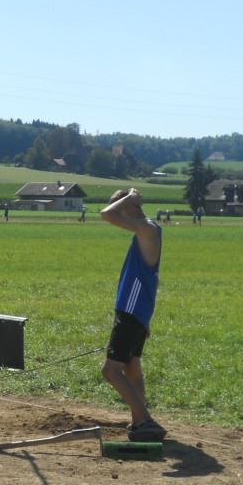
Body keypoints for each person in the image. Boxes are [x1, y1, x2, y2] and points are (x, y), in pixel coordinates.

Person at [99, 188, 166, 442]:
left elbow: (107, 214)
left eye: (123, 208)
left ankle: (144, 419)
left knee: (110, 371)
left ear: (129, 208)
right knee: (131, 365)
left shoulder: (147, 229)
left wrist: (128, 198)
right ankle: (140, 420)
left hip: (132, 309)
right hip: (136, 311)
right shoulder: (148, 231)